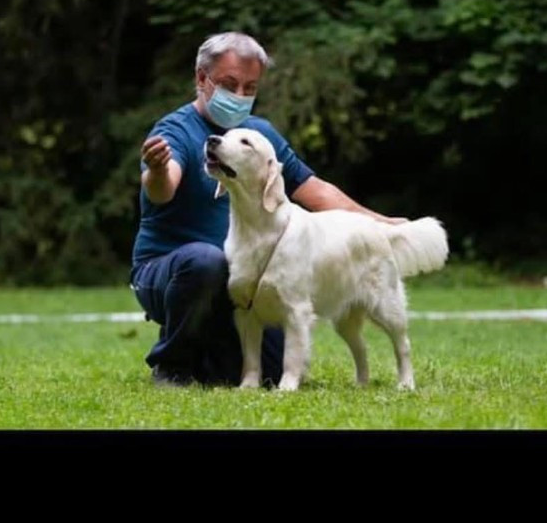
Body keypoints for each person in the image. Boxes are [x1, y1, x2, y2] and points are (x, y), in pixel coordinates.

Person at [130, 31, 407, 387]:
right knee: (205, 261)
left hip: (239, 284)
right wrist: (154, 170)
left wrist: (381, 222)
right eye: (231, 84)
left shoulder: (261, 135)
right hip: (168, 274)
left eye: (250, 87)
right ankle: (172, 365)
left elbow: (316, 190)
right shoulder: (177, 130)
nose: (240, 96)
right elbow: (163, 188)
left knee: (272, 373)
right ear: (202, 79)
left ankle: (206, 350)